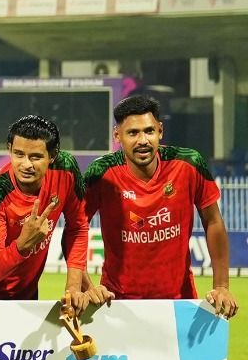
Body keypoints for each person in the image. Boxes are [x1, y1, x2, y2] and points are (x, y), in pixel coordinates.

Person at [83, 95, 236, 318]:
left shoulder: (188, 164)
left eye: (149, 131)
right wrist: (86, 285)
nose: (143, 140)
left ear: (160, 131)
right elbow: (76, 228)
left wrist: (222, 286)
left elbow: (213, 221)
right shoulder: (101, 173)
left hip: (179, 302)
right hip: (116, 304)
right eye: (133, 133)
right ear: (118, 135)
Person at [0, 115, 90, 313]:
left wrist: (73, 287)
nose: (26, 164)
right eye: (18, 154)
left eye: (35, 157)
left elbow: (78, 226)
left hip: (29, 296)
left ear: (52, 156)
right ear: (9, 149)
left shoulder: (66, 168)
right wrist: (23, 244)